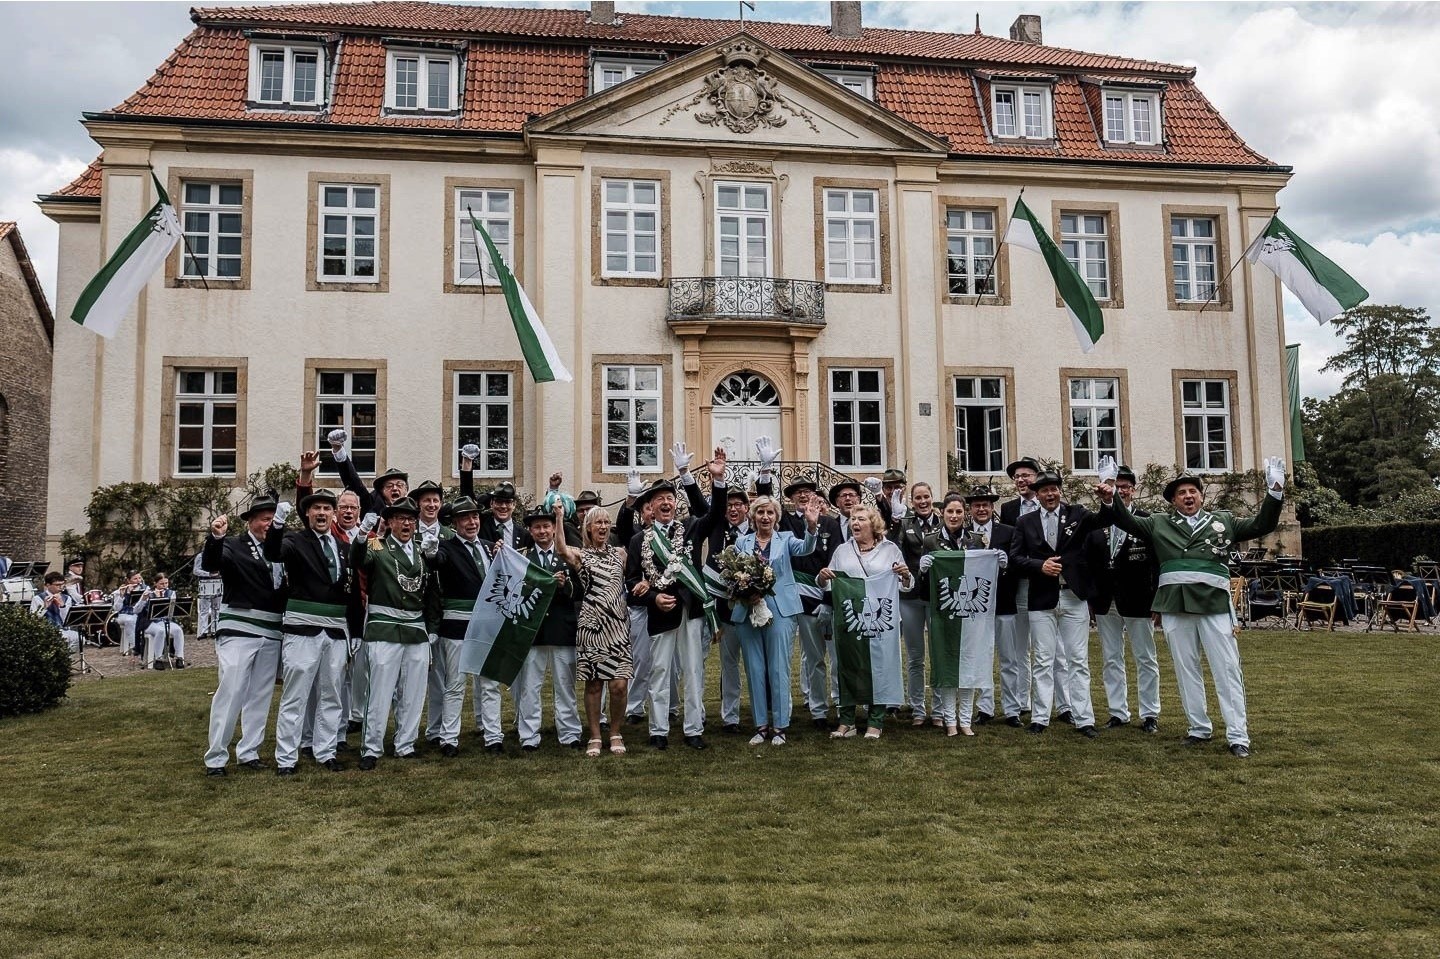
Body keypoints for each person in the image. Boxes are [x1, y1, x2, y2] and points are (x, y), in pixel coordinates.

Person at [1097, 457, 1287, 758]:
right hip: (1175, 605)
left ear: (1201, 496)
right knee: (1187, 670)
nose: (1188, 496)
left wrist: (1275, 491)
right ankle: (1198, 728)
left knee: (1227, 670)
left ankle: (1238, 734)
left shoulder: (1224, 521)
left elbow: (1262, 524)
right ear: (1173, 500)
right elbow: (1125, 521)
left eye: (1193, 491)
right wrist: (1109, 491)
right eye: (1181, 493)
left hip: (1213, 606)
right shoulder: (1158, 523)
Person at [625, 442, 713, 750]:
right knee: (659, 671)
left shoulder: (690, 527)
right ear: (650, 507)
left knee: (693, 670)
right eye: (659, 498)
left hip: (691, 611)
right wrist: (653, 599)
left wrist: (686, 475)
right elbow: (633, 579)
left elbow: (709, 514)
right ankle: (658, 731)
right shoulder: (640, 540)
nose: (666, 502)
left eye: (669, 498)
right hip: (661, 613)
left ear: (676, 504)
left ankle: (693, 729)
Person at [1010, 472, 1107, 738]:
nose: (1050, 495)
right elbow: (1015, 558)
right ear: (1037, 495)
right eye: (1044, 491)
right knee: (1042, 659)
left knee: (1077, 659)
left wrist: (1108, 501)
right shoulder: (1024, 521)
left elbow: (1104, 519)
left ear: (1060, 491)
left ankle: (1083, 718)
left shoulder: (1078, 515)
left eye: (1054, 489)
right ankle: (1040, 717)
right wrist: (1039, 565)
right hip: (1041, 598)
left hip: (1074, 596)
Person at [265, 488, 353, 775]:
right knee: (295, 695)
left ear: (335, 513)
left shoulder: (343, 546)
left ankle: (325, 751)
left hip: (336, 631)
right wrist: (277, 524)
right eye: (316, 508)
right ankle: (286, 758)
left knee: (332, 695)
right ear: (307, 513)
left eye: (328, 508)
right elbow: (273, 551)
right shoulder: (294, 540)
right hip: (303, 630)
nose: (322, 513)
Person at [201, 496, 287, 776]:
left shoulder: (282, 547)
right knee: (232, 689)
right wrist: (215, 536)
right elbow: (212, 562)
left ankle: (249, 752)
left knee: (260, 695)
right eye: (264, 519)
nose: (269, 524)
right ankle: (216, 757)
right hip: (239, 627)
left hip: (272, 629)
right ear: (250, 521)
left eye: (273, 519)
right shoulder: (234, 545)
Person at [351, 497, 435, 769]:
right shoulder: (378, 544)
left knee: (413, 691)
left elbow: (433, 590)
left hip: (415, 629)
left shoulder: (424, 549)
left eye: (411, 518)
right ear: (390, 522)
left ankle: (406, 744)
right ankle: (371, 747)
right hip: (384, 626)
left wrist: (431, 628)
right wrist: (362, 536)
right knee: (380, 690)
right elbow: (358, 559)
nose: (406, 523)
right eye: (400, 518)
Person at [731, 494, 821, 746]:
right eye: (760, 512)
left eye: (770, 513)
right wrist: (744, 590)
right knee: (755, 669)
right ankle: (760, 726)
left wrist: (811, 526)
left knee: (779, 668)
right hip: (748, 610)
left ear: (777, 517)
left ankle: (780, 726)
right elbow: (734, 574)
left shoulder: (787, 539)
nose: (765, 517)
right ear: (753, 517)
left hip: (780, 610)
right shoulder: (742, 542)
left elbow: (807, 548)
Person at [818, 505, 911, 740]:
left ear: (874, 524)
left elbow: (905, 584)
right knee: (848, 665)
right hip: (850, 620)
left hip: (882, 620)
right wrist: (822, 577)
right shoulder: (842, 550)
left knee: (881, 666)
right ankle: (847, 721)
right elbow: (828, 584)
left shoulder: (890, 550)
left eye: (861, 519)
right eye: (852, 519)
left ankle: (876, 720)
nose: (855, 523)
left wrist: (906, 575)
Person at [553, 502, 633, 757]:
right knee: (594, 684)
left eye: (606, 522)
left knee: (619, 684)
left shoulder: (620, 553)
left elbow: (630, 579)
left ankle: (616, 731)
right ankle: (596, 735)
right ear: (587, 528)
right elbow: (560, 548)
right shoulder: (581, 555)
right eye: (597, 522)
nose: (603, 526)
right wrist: (558, 517)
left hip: (618, 624)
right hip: (592, 625)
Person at [1085, 466, 1161, 733]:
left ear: (1133, 489)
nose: (1120, 491)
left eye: (1125, 486)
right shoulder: (1098, 521)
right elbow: (1090, 564)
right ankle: (1118, 712)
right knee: (1111, 658)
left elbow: (1157, 564)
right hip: (1106, 601)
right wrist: (1091, 600)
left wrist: (1157, 601)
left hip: (1140, 599)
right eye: (1114, 485)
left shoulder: (1147, 520)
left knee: (1145, 658)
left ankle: (1150, 713)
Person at [691, 447, 756, 735]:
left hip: (739, 604)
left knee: (735, 661)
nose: (733, 509)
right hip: (710, 600)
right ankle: (697, 712)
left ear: (746, 508)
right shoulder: (715, 521)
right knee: (699, 659)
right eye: (729, 504)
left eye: (738, 504)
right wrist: (696, 477)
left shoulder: (756, 531)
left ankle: (732, 717)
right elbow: (703, 505)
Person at [513, 506, 582, 752]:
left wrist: (565, 586)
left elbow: (580, 590)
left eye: (546, 526)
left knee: (565, 686)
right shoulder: (521, 556)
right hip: (533, 632)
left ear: (554, 528)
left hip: (562, 630)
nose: (542, 531)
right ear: (530, 531)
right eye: (537, 527)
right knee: (530, 687)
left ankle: (570, 732)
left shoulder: (568, 554)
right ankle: (529, 735)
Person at [428, 496, 493, 756]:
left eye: (475, 516)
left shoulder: (490, 547)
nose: (472, 522)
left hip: (486, 627)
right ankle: (449, 738)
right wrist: (431, 553)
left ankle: (493, 735)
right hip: (456, 627)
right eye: (465, 518)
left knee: (488, 684)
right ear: (455, 523)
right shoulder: (447, 546)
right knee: (455, 685)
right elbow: (436, 561)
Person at [781, 477, 843, 729]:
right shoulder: (785, 522)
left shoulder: (830, 523)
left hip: (818, 597)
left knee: (825, 658)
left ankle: (829, 707)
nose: (803, 496)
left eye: (807, 491)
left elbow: (835, 560)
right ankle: (804, 709)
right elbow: (764, 504)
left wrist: (828, 601)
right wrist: (764, 472)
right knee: (797, 658)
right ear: (791, 498)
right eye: (798, 493)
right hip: (789, 597)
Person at [918, 494, 976, 734]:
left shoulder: (977, 541)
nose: (954, 516)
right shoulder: (930, 541)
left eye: (959, 512)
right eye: (950, 511)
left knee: (969, 664)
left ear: (965, 514)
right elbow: (924, 586)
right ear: (942, 513)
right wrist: (922, 571)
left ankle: (966, 719)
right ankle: (949, 718)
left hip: (970, 613)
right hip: (942, 612)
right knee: (945, 663)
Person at [963, 485, 1017, 725]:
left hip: (1004, 602)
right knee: (981, 658)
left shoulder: (1008, 531)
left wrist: (1008, 564)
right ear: (970, 509)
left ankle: (1012, 709)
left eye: (985, 504)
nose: (981, 509)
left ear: (992, 506)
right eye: (977, 505)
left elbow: (1018, 563)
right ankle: (985, 708)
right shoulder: (963, 535)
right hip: (976, 606)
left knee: (1009, 658)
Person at [890, 481, 941, 726]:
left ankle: (940, 709)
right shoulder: (905, 524)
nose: (922, 502)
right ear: (912, 501)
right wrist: (896, 519)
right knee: (915, 656)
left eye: (926, 496)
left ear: (932, 497)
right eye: (918, 498)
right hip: (910, 597)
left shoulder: (942, 523)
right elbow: (893, 546)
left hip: (937, 597)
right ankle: (918, 708)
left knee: (939, 654)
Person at [998, 456, 1042, 723]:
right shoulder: (1009, 509)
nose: (1021, 480)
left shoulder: (1050, 502)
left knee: (1050, 649)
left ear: (1036, 477)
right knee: (1019, 646)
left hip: (1045, 581)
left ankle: (1062, 703)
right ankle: (1022, 699)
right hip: (1020, 583)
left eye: (1026, 475)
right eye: (1017, 477)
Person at [140, 573, 186, 669]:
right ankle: (158, 659)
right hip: (150, 622)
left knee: (178, 630)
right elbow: (137, 610)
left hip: (165, 621)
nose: (164, 586)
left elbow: (172, 611)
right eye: (161, 584)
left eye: (166, 583)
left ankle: (179, 657)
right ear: (155, 583)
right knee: (160, 631)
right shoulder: (149, 593)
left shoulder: (171, 593)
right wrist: (144, 599)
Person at [31, 572, 80, 652]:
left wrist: (62, 606)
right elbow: (34, 619)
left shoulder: (67, 598)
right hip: (46, 630)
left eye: (62, 584)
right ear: (47, 585)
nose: (61, 587)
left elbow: (66, 620)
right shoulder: (38, 598)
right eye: (57, 585)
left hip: (63, 629)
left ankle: (65, 657)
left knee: (80, 639)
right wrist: (45, 607)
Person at [110, 570, 147, 657]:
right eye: (135, 579)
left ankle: (145, 645)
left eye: (139, 578)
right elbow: (116, 608)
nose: (138, 581)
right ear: (128, 580)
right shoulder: (121, 590)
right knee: (130, 620)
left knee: (139, 619)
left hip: (139, 613)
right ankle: (135, 646)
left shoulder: (144, 588)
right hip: (124, 614)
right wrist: (122, 596)